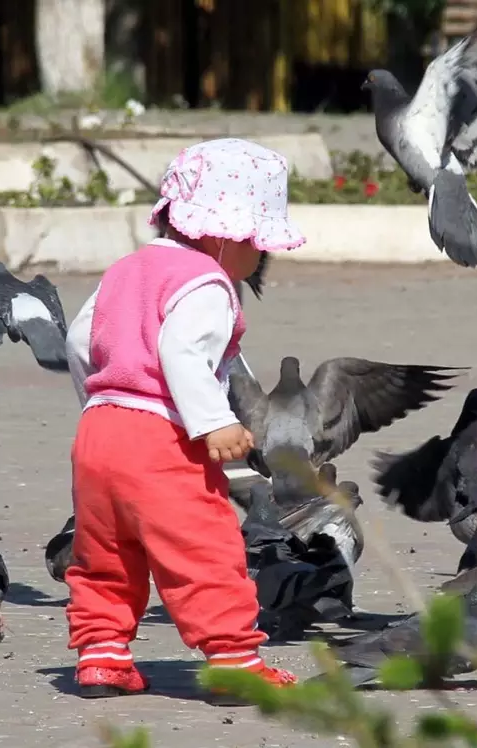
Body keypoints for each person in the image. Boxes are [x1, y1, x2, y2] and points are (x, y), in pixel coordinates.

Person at [63, 138, 305, 703]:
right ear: (227, 236)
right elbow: (181, 351)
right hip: (163, 437)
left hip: (100, 431)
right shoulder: (206, 281)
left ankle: (102, 656)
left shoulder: (127, 269)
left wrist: (99, 399)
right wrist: (214, 421)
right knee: (203, 549)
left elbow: (77, 339)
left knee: (104, 553)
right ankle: (233, 661)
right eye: (258, 247)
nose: (259, 260)